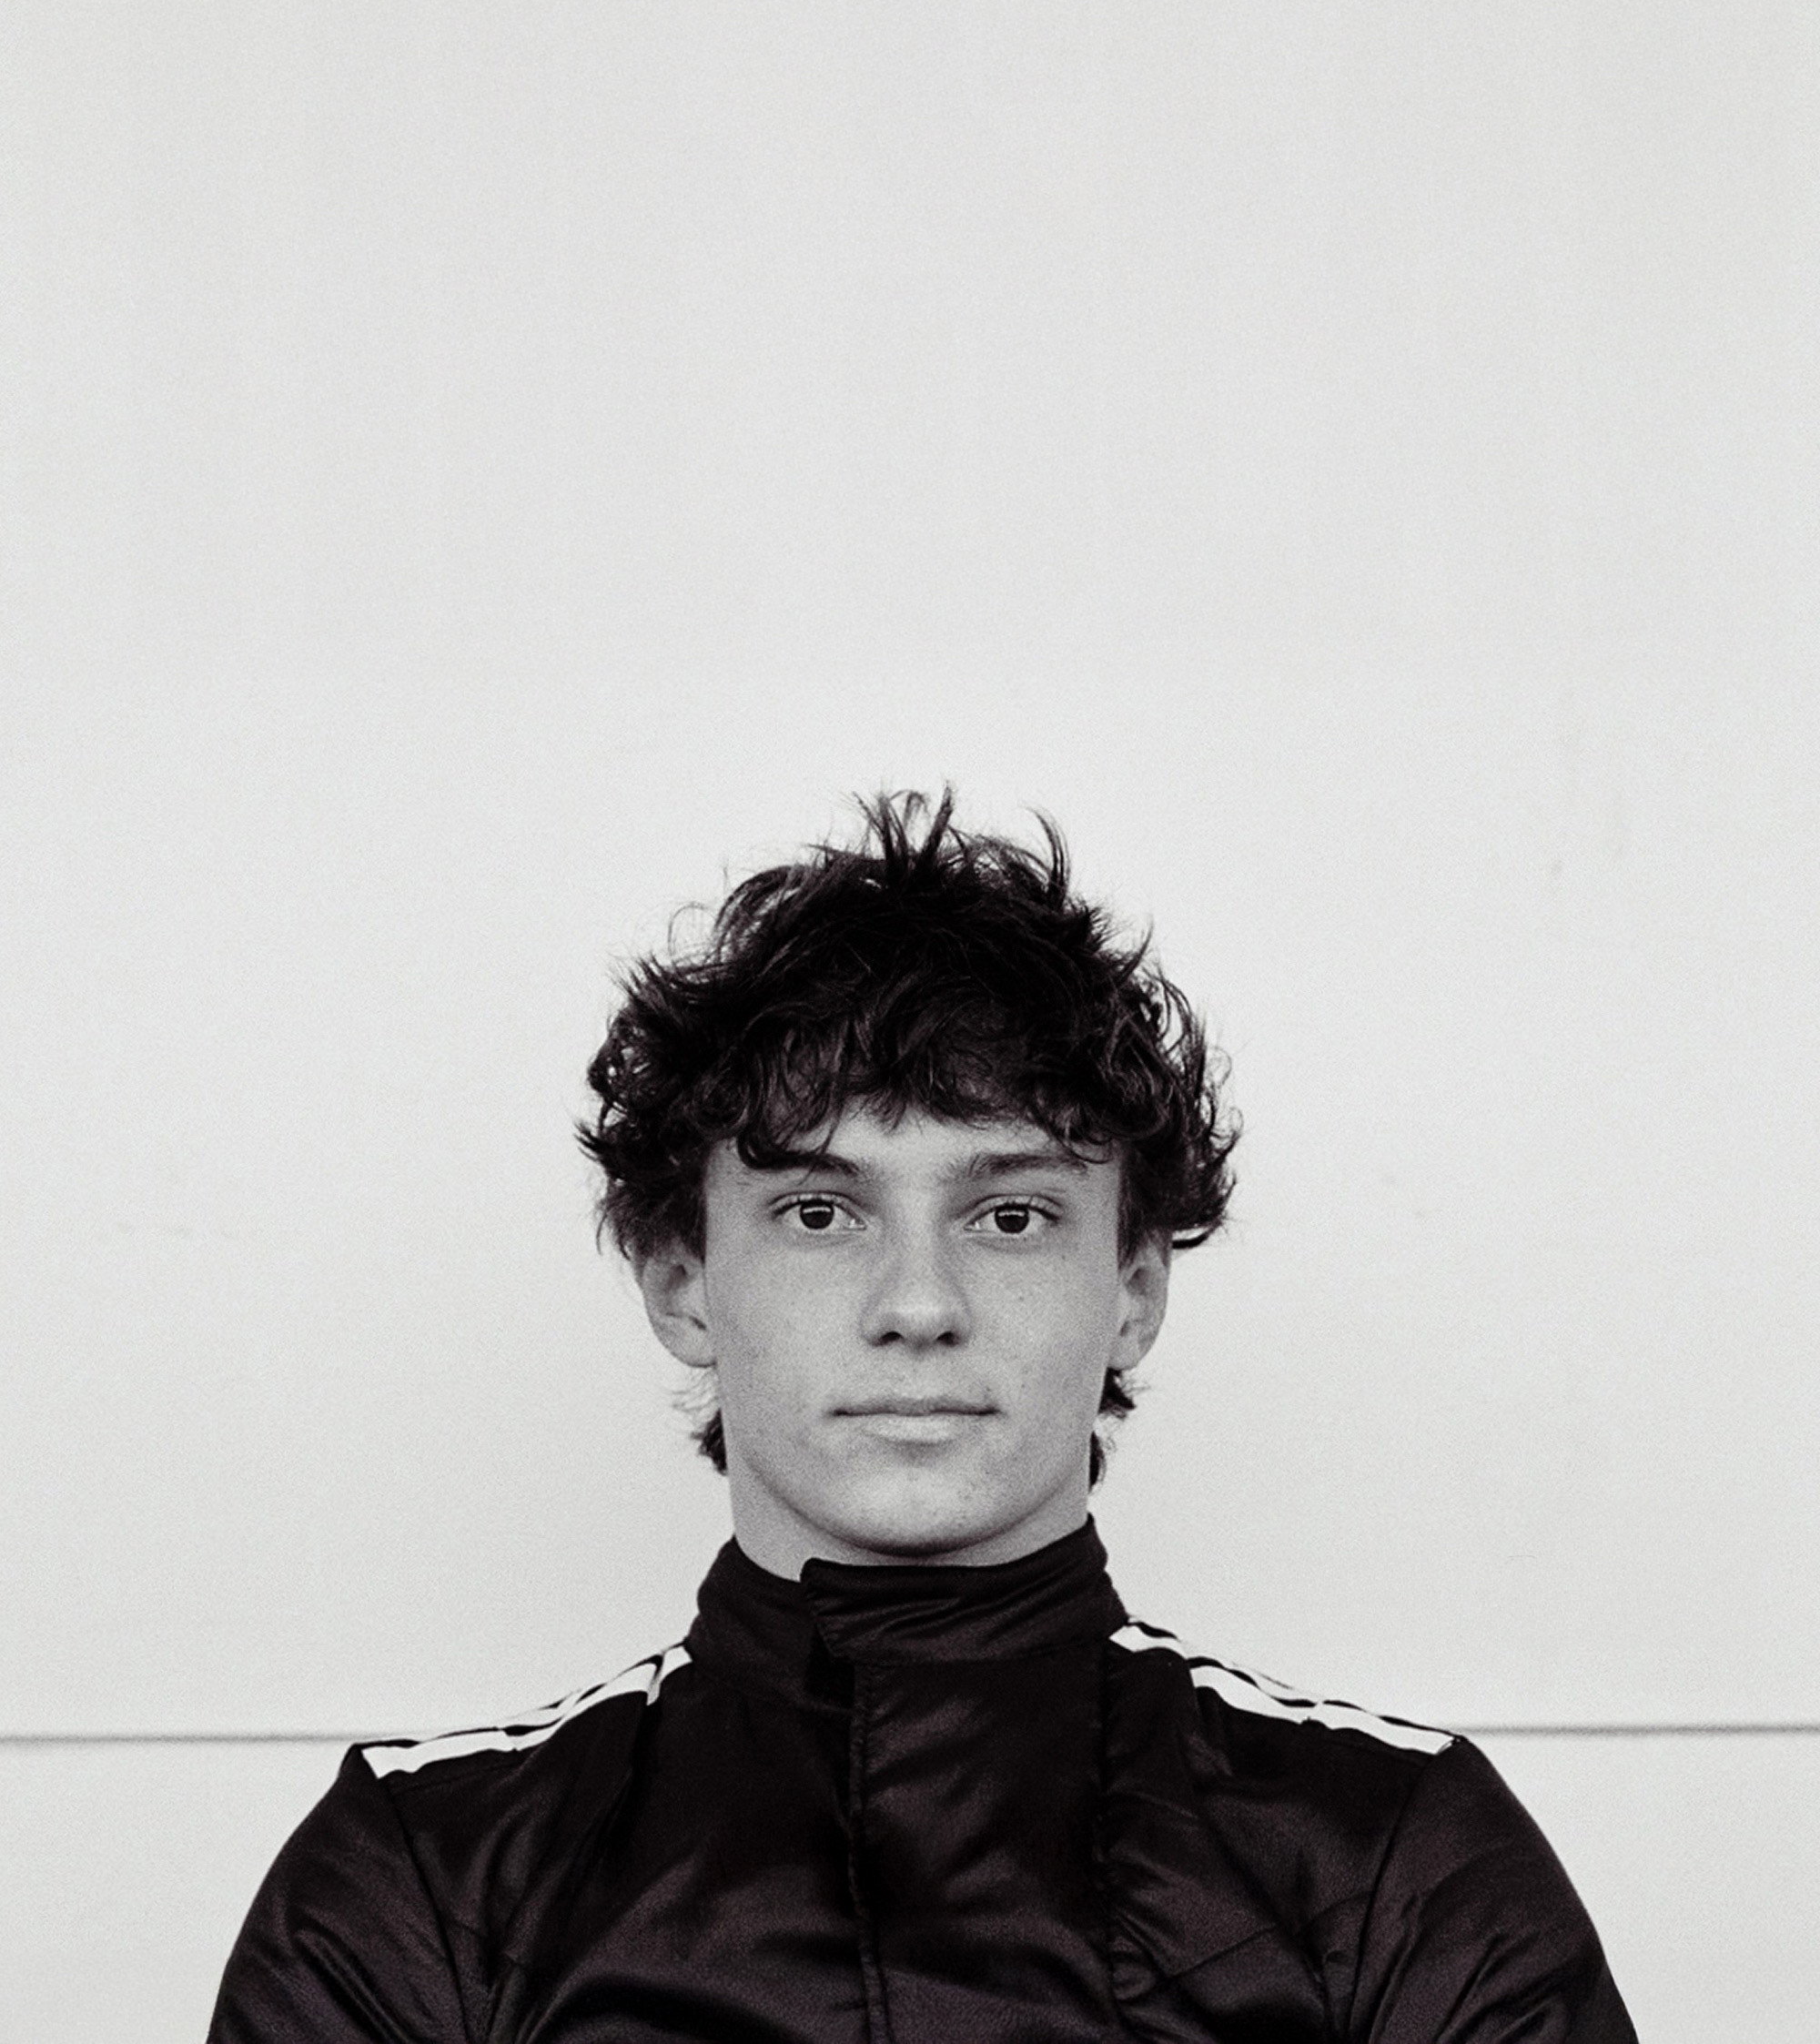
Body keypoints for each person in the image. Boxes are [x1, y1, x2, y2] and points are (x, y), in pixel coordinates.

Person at [209, 792, 1636, 2041]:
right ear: (683, 1285)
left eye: (1009, 1215)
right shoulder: (424, 1883)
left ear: (1134, 1293)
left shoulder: (1395, 1859)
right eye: (820, 1213)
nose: (917, 1304)